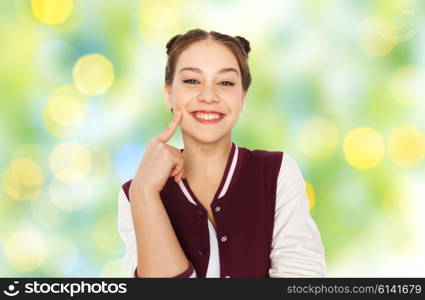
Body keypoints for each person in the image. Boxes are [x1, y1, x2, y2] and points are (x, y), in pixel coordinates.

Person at [117, 28, 326, 278]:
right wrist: (145, 193)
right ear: (169, 95)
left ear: (242, 98)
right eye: (192, 81)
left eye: (225, 82)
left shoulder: (276, 172)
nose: (208, 96)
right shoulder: (135, 194)